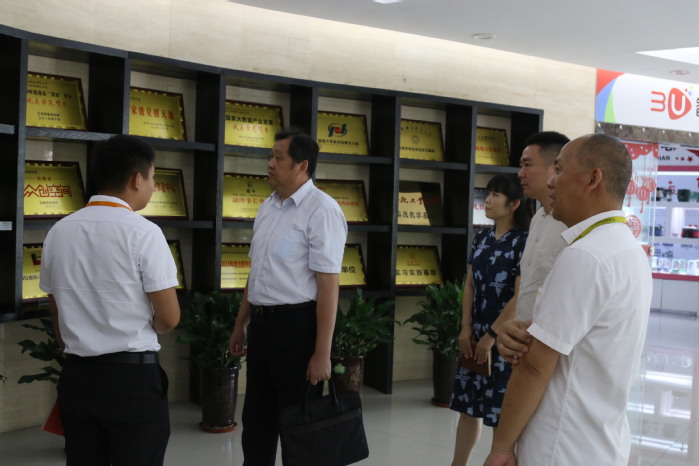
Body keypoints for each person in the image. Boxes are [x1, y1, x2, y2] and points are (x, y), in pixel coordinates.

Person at [483, 134, 653, 466]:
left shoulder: (586, 255)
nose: (551, 181)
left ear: (593, 179)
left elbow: (536, 365)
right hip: (598, 439)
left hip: (561, 442)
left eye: (559, 170)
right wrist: (522, 332)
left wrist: (501, 447)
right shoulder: (626, 248)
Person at [39, 135, 181, 466]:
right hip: (132, 381)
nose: (153, 186)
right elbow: (169, 318)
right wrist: (147, 324)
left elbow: (56, 305)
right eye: (152, 177)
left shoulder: (59, 231)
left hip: (78, 378)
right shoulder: (144, 233)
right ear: (137, 179)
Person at [228, 128, 348, 466]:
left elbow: (328, 286)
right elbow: (256, 273)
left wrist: (322, 353)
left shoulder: (322, 210)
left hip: (298, 328)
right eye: (270, 156)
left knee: (299, 425)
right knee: (257, 421)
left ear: (302, 165)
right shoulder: (268, 207)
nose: (270, 163)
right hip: (263, 327)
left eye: (278, 158)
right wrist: (240, 324)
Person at [450, 173, 532, 466]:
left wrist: (491, 337)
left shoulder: (524, 242)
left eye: (496, 195)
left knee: (500, 412)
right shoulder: (482, 238)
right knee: (467, 408)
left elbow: (519, 297)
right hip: (475, 336)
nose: (487, 200)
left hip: (505, 340)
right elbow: (470, 284)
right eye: (488, 193)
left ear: (514, 204)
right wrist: (466, 328)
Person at [496, 132, 570, 363]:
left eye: (527, 165)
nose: (520, 173)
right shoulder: (537, 218)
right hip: (523, 343)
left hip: (551, 350)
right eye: (521, 165)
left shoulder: (572, 225)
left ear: (556, 168)